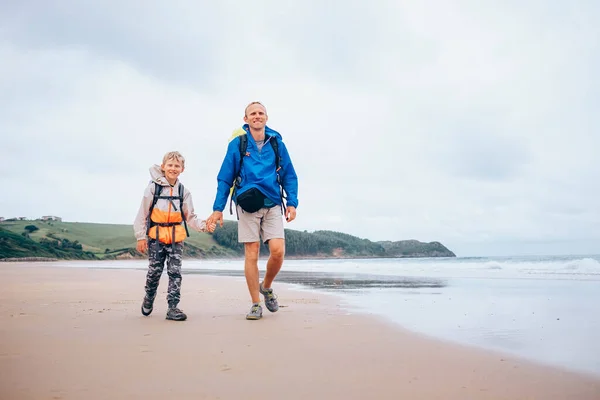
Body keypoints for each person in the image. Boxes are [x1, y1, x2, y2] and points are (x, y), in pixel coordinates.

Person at [207, 102, 299, 320]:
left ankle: (266, 286)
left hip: (273, 202)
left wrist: (292, 203)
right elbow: (224, 178)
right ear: (245, 119)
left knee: (278, 251)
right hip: (247, 203)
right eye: (252, 114)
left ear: (266, 117)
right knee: (252, 253)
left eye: (260, 113)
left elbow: (289, 175)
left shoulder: (277, 144)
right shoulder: (237, 145)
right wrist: (217, 208)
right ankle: (255, 304)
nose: (257, 116)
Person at [133, 151, 215, 321]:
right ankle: (149, 298)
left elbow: (190, 217)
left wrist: (204, 226)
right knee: (154, 272)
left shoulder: (183, 191)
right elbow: (142, 214)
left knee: (175, 272)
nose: (173, 168)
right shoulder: (152, 189)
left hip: (176, 238)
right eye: (170, 165)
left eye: (177, 166)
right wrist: (141, 237)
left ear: (182, 169)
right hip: (156, 236)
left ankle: (173, 307)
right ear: (163, 167)